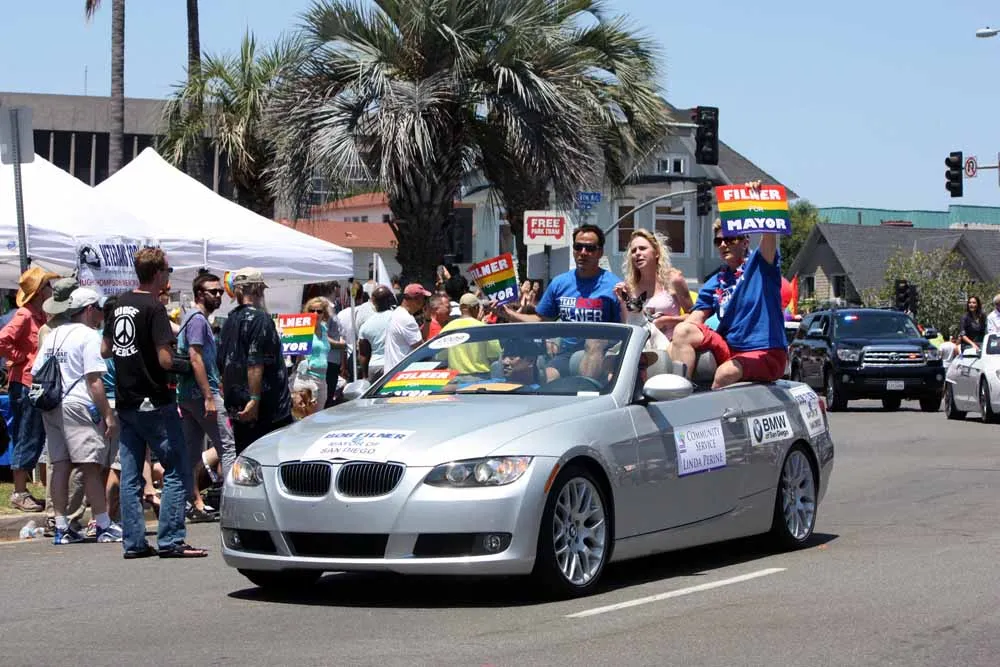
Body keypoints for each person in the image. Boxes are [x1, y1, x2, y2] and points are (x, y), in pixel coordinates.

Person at [103, 247, 207, 558]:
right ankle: (171, 539)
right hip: (154, 399)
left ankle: (134, 542)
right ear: (159, 273)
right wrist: (187, 365)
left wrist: (133, 354)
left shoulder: (119, 304)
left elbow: (106, 349)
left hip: (126, 399)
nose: (168, 277)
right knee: (176, 467)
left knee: (131, 473)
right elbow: (165, 360)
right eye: (168, 271)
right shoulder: (154, 308)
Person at [669, 182, 787, 389]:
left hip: (766, 351)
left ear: (745, 242)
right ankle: (678, 395)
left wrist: (759, 199)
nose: (723, 244)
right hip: (730, 348)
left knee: (725, 373)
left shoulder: (761, 266)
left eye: (730, 239)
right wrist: (670, 336)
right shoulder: (715, 281)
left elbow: (769, 235)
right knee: (682, 331)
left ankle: (709, 408)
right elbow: (696, 319)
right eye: (718, 242)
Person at [33, 287, 122, 545]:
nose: (101, 314)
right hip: (77, 405)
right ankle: (103, 525)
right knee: (90, 466)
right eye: (99, 309)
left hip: (51, 405)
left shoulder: (54, 334)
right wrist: (108, 416)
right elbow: (94, 380)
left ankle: (62, 527)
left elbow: (36, 370)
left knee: (60, 466)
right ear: (89, 309)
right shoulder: (88, 335)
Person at [502, 224, 621, 379]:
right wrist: (508, 313)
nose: (583, 252)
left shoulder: (613, 286)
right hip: (566, 354)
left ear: (600, 252)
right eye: (578, 247)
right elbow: (540, 320)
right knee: (549, 380)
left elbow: (624, 327)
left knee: (594, 342)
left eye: (590, 248)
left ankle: (585, 391)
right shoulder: (560, 283)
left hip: (600, 354)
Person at [175, 271, 234, 522]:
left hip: (188, 395)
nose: (218, 295)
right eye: (213, 291)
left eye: (220, 291)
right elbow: (195, 357)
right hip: (200, 395)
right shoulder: (197, 319)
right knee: (228, 447)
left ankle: (188, 503)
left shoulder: (192, 318)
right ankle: (233, 505)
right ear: (200, 294)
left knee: (191, 453)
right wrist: (209, 395)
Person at [0, 266, 58, 512]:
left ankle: (22, 490)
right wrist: (20, 356)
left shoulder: (39, 315)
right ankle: (19, 491)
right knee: (26, 434)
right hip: (23, 383)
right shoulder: (25, 314)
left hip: (31, 383)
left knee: (33, 434)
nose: (51, 289)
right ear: (40, 291)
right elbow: (2, 339)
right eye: (47, 286)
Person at [217, 268, 292, 455]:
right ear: (258, 289)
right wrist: (254, 400)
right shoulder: (261, 319)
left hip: (238, 406)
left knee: (246, 458)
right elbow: (255, 363)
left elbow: (221, 361)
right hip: (265, 409)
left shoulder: (229, 320)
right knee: (270, 458)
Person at [614, 229, 692, 347]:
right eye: (634, 251)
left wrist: (668, 320)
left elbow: (694, 317)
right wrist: (623, 301)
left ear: (656, 253)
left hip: (670, 347)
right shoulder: (629, 287)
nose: (637, 253)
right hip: (640, 348)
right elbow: (628, 325)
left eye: (642, 248)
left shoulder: (673, 280)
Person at [383, 283, 431, 370]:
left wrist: (427, 319)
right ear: (417, 300)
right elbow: (421, 349)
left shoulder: (399, 312)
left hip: (393, 370)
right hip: (401, 372)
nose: (425, 302)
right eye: (424, 299)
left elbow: (421, 337)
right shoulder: (406, 319)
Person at [356, 286, 396, 381]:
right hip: (394, 364)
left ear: (373, 302)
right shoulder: (398, 318)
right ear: (390, 300)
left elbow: (363, 354)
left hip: (374, 367)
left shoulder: (366, 325)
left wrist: (365, 376)